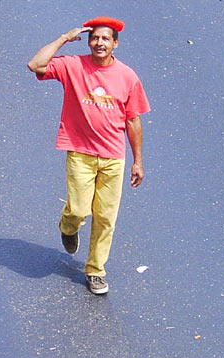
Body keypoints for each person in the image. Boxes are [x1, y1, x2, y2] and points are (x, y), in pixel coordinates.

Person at [28, 16, 150, 294]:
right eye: (94, 38)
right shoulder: (73, 65)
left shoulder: (127, 77)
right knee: (79, 210)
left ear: (115, 45)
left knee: (106, 218)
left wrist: (138, 161)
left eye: (105, 38)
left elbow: (133, 121)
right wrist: (63, 38)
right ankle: (68, 227)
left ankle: (95, 270)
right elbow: (35, 65)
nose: (99, 42)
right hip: (80, 153)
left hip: (113, 157)